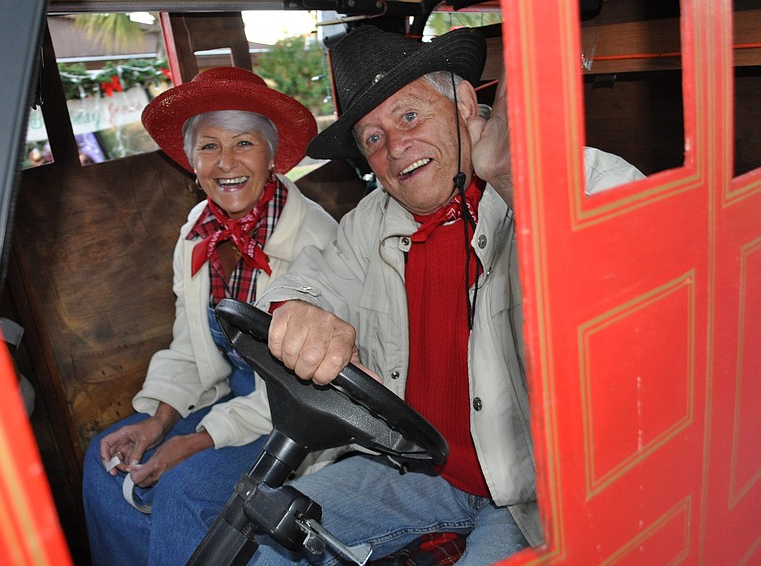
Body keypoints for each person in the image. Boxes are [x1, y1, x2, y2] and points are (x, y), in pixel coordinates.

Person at [248, 26, 646, 565]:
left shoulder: (571, 175)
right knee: (268, 538)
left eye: (409, 116)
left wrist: (517, 180)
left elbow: (636, 279)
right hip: (420, 469)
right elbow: (309, 278)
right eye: (372, 138)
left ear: (462, 102)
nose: (395, 148)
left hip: (537, 492)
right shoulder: (373, 218)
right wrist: (298, 311)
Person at [81, 66, 338, 566]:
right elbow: (188, 348)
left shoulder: (315, 241)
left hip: (295, 419)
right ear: (191, 164)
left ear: (270, 154)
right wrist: (157, 422)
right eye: (209, 147)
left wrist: (198, 441)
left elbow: (298, 392)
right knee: (104, 461)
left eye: (244, 144)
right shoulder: (197, 231)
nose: (226, 164)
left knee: (183, 488)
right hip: (232, 403)